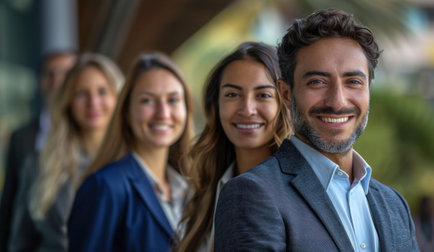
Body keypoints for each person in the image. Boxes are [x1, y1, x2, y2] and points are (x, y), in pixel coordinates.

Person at [214, 8, 419, 251]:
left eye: (353, 82)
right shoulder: (250, 194)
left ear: (368, 88)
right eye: (317, 82)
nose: (338, 101)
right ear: (286, 93)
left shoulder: (394, 205)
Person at [67, 52, 194, 252]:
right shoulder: (104, 187)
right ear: (126, 112)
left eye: (173, 99)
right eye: (147, 100)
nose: (163, 113)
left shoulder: (192, 188)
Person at [175, 41, 292, 252]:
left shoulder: (300, 194)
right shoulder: (205, 190)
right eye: (232, 94)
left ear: (284, 103)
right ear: (216, 104)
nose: (247, 110)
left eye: (263, 95)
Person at [7, 53, 125, 251]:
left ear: (119, 97)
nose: (93, 102)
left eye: (103, 91)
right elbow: (21, 243)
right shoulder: (39, 164)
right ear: (68, 101)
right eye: (81, 93)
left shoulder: (135, 163)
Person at [0, 51, 76, 252]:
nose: (57, 81)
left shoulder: (91, 132)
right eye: (50, 74)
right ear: (40, 82)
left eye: (66, 73)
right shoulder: (21, 137)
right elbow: (9, 202)